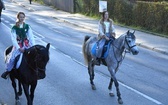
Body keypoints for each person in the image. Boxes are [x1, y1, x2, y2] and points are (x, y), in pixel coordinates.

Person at [1, 12, 35, 79]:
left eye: (23, 17)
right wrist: (19, 48)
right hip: (18, 44)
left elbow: (31, 37)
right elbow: (13, 39)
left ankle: (36, 71)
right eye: (20, 17)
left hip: (26, 44)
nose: (22, 18)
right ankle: (8, 71)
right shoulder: (14, 27)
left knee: (35, 56)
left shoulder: (27, 26)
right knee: (12, 58)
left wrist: (33, 46)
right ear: (18, 17)